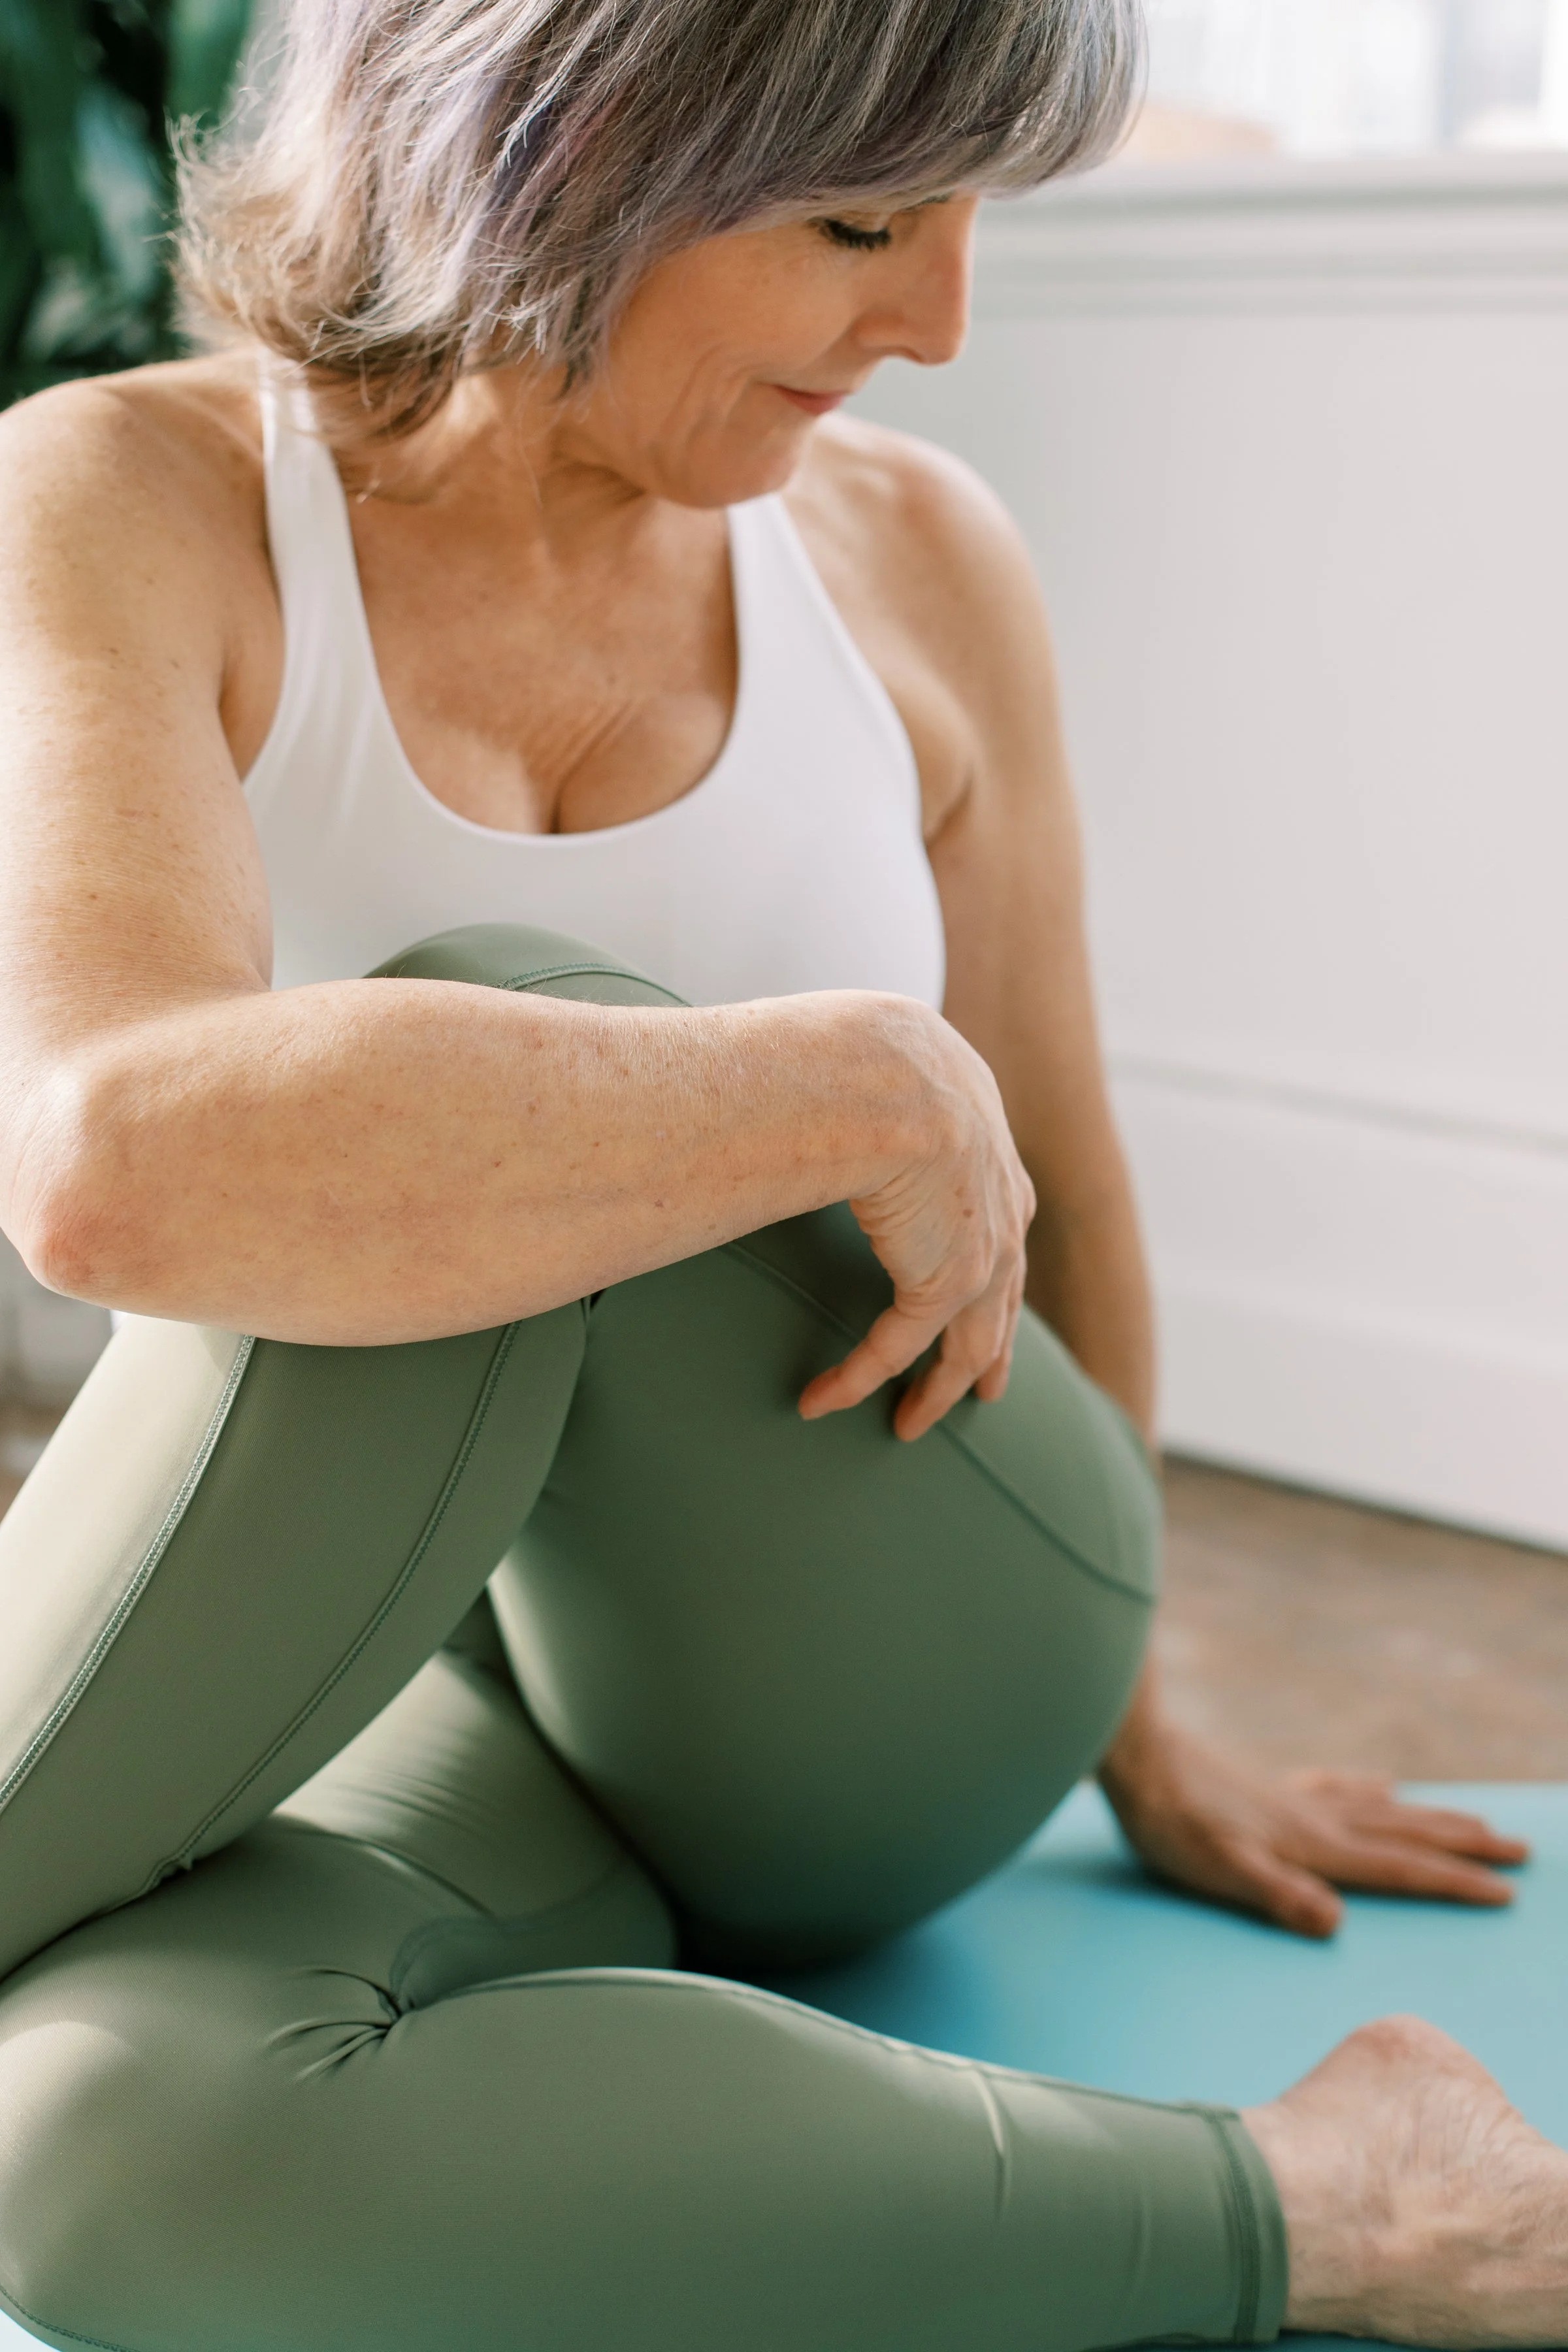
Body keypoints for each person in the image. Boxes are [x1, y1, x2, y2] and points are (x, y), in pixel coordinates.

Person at [0, 0, 1563, 2345]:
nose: (935, 320)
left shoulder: (920, 558)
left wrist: (1136, 1719)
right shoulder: (121, 494)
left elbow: (1075, 1166)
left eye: (963, 223)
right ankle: (1336, 2199)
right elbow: (105, 1174)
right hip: (453, 1682)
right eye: (861, 220)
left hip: (892, 1634)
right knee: (100, 2136)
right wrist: (835, 1085)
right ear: (566, 144)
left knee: (491, 1037)